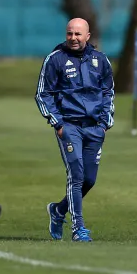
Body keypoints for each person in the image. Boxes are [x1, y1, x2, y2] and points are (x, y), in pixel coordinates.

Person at [34, 18, 115, 242]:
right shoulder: (55, 59)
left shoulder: (100, 60)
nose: (73, 38)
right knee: (76, 176)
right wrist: (58, 123)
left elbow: (108, 91)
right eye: (70, 33)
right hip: (69, 126)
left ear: (88, 36)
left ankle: (58, 210)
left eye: (78, 34)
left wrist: (104, 123)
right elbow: (43, 94)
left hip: (95, 128)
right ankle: (78, 228)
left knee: (89, 179)